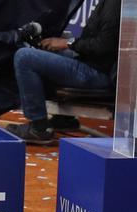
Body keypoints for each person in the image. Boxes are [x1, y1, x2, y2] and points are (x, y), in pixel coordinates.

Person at [9, 0, 120, 145]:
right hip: (91, 62)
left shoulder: (116, 4)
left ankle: (39, 128)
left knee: (24, 57)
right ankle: (64, 119)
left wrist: (68, 43)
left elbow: (103, 46)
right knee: (42, 51)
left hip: (97, 73)